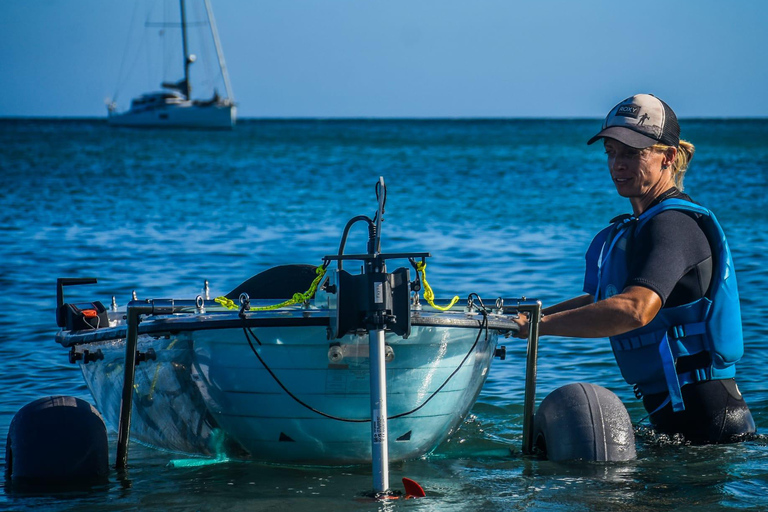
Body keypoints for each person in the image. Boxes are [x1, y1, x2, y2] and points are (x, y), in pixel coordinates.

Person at [513, 93, 756, 444]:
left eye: (632, 152)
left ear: (668, 157)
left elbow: (635, 309)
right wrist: (530, 320)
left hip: (711, 427)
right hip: (686, 422)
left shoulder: (673, 224)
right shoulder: (645, 224)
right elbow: (601, 300)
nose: (617, 164)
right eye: (611, 152)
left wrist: (543, 327)